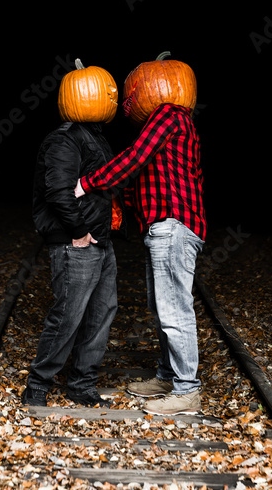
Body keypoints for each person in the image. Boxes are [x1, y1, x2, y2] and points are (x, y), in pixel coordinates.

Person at [74, 56, 206, 415]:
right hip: (164, 226)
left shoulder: (167, 114)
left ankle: (186, 389)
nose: (131, 96)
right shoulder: (181, 124)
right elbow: (141, 178)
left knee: (174, 309)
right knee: (161, 306)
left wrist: (87, 183)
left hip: (173, 225)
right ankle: (167, 376)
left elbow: (133, 159)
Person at [22, 60, 120, 408]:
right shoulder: (64, 139)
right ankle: (38, 386)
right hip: (75, 243)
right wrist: (79, 232)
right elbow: (59, 193)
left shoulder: (94, 136)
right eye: (104, 90)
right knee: (68, 315)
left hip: (99, 241)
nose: (112, 95)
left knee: (101, 312)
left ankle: (82, 384)